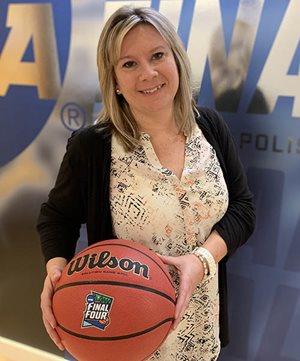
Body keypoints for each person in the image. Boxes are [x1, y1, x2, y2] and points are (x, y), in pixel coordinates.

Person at [37, 5, 255, 361]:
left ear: (176, 59)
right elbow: (56, 217)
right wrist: (57, 271)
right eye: (129, 64)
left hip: (200, 332)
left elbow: (243, 209)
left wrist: (200, 259)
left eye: (157, 55)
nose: (148, 73)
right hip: (125, 338)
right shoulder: (93, 147)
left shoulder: (210, 127)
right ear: (115, 81)